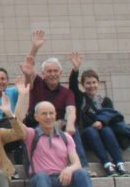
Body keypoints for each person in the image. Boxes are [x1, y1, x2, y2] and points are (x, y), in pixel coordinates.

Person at [26, 101, 109, 187]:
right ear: (36, 117)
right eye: (44, 114)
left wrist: (69, 169)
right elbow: (17, 125)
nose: (48, 117)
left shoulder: (66, 137)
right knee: (41, 176)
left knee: (82, 173)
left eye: (51, 113)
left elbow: (76, 163)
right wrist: (23, 96)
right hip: (41, 182)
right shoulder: (31, 135)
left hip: (62, 179)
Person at [23, 31, 90, 169]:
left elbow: (71, 111)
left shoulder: (67, 92)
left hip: (56, 126)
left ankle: (83, 166)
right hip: (35, 125)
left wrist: (71, 124)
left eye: (55, 71)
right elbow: (29, 68)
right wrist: (35, 48)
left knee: (73, 130)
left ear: (60, 73)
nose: (52, 74)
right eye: (49, 71)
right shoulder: (37, 84)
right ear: (43, 74)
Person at [68, 52, 130, 176]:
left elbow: (111, 116)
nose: (91, 86)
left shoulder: (106, 100)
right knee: (91, 131)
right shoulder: (80, 98)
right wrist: (75, 69)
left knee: (106, 130)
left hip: (105, 134)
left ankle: (120, 164)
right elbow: (72, 85)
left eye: (94, 82)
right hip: (87, 135)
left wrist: (101, 122)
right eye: (88, 83)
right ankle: (107, 164)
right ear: (83, 85)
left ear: (98, 83)